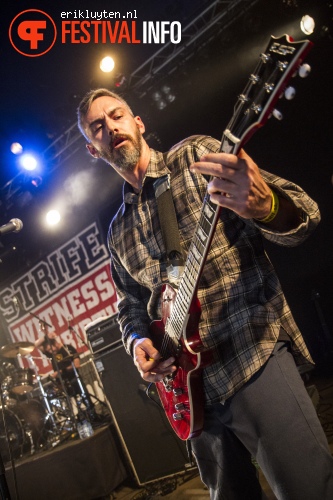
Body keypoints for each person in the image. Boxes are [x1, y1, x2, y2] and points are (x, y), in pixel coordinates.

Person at [77, 88, 333, 499]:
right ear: (93, 149)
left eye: (117, 115)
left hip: (251, 355)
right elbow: (129, 305)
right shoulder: (117, 232)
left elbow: (306, 212)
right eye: (97, 127)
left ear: (138, 123)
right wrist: (137, 340)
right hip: (192, 397)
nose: (110, 127)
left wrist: (266, 206)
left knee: (309, 489)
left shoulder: (195, 157)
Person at [35, 332, 93, 414]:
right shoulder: (51, 354)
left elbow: (76, 365)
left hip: (73, 378)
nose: (51, 352)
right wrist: (46, 337)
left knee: (78, 385)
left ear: (55, 343)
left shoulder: (68, 349)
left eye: (51, 349)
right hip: (61, 383)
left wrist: (61, 371)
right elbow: (36, 345)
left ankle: (91, 410)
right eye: (48, 351)